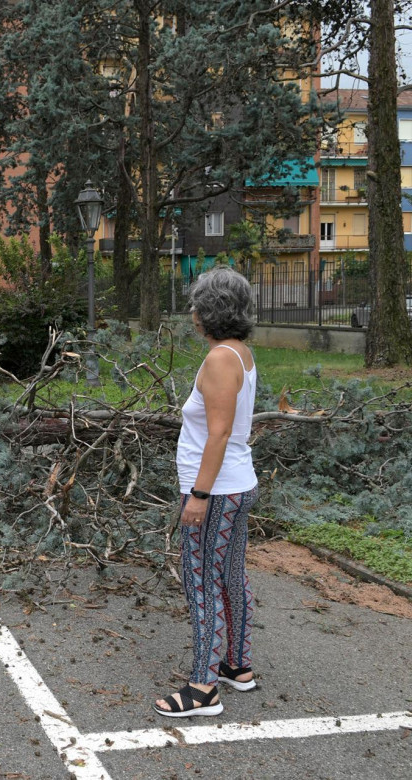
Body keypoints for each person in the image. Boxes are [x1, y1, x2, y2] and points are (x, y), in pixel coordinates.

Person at [154, 265, 259, 719]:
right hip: (237, 485)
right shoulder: (240, 353)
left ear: (209, 311)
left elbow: (217, 434)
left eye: (196, 304)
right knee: (231, 575)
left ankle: (202, 688)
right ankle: (237, 666)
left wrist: (197, 495)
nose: (191, 312)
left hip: (215, 492)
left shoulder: (219, 360)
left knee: (201, 583)